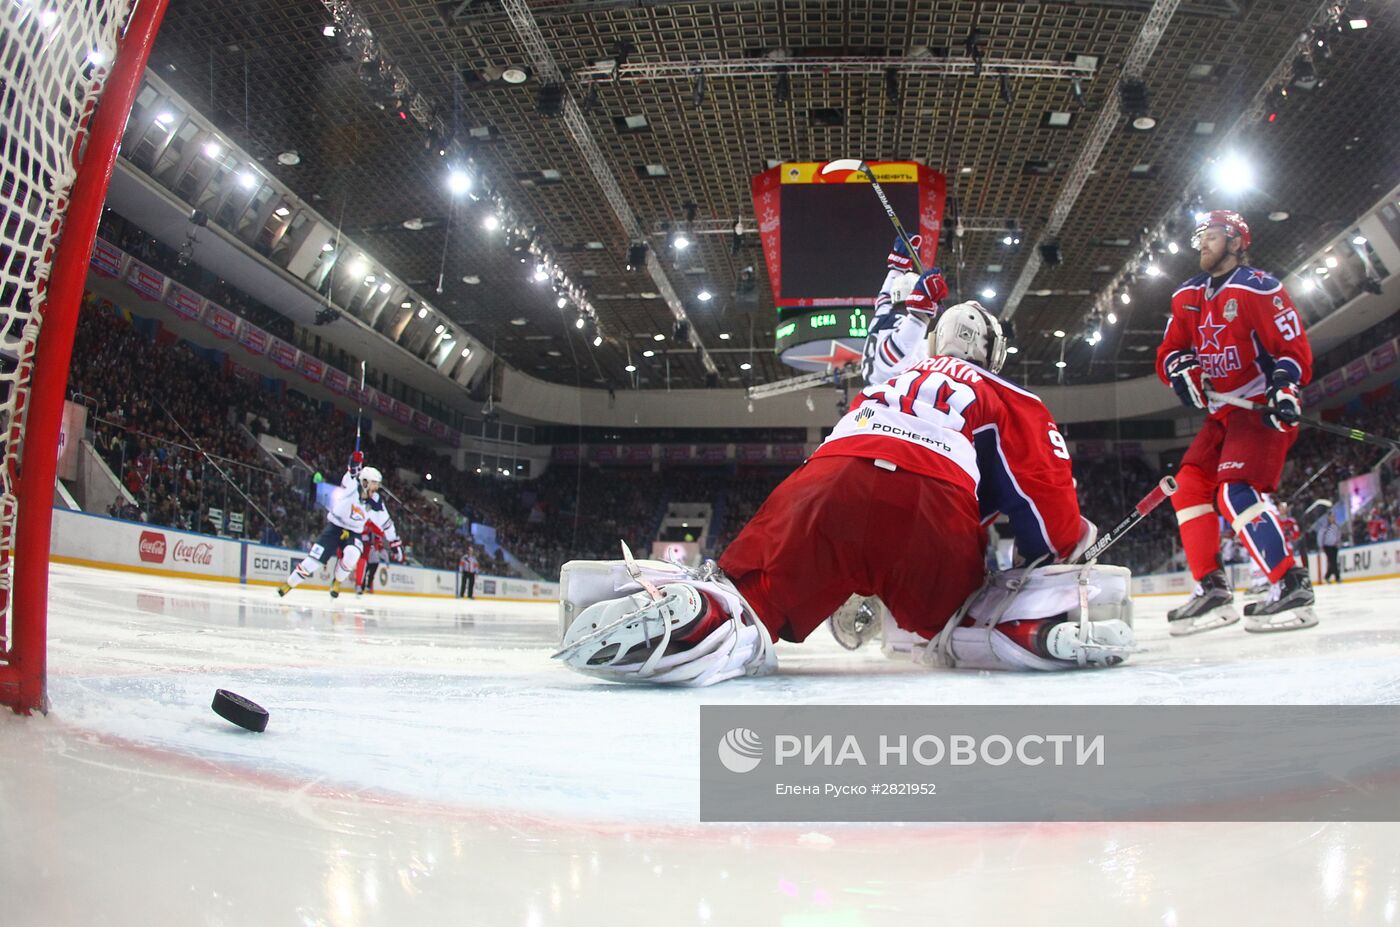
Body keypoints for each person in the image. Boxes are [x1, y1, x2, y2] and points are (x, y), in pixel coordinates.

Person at [555, 301, 1130, 687]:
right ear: (996, 355)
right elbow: (1048, 513)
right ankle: (1023, 627)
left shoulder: (890, 383)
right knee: (959, 626)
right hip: (930, 507)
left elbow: (867, 466)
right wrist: (1052, 560)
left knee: (751, 603)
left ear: (933, 343)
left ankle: (704, 617)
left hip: (829, 484)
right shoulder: (1011, 397)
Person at [1156, 210, 1316, 634]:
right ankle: (1212, 590)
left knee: (1234, 493)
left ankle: (1290, 583)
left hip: (1259, 408)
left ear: (1237, 240)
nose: (1203, 243)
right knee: (1188, 486)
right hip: (1222, 415)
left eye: (1212, 235)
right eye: (1201, 237)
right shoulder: (1186, 296)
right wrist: (1182, 369)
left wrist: (1285, 386)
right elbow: (1170, 351)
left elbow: (1292, 348)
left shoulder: (1261, 289)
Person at [278, 451, 402, 598]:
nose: (376, 488)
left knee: (352, 554)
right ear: (365, 482)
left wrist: (394, 542)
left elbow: (386, 523)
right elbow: (352, 470)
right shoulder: (352, 484)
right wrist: (355, 461)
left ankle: (337, 581)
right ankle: (289, 584)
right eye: (374, 484)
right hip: (335, 527)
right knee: (313, 560)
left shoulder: (375, 501)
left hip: (354, 532)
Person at [1319, 511, 1342, 583]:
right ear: (1328, 518)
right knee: (1333, 562)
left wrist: (1338, 542)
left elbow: (1338, 535)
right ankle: (1337, 577)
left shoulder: (1336, 526)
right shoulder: (1325, 527)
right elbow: (1320, 536)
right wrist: (1321, 545)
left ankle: (1327, 576)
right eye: (1331, 517)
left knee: (1333, 562)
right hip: (1327, 546)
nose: (1333, 518)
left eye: (1334, 517)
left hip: (1334, 546)